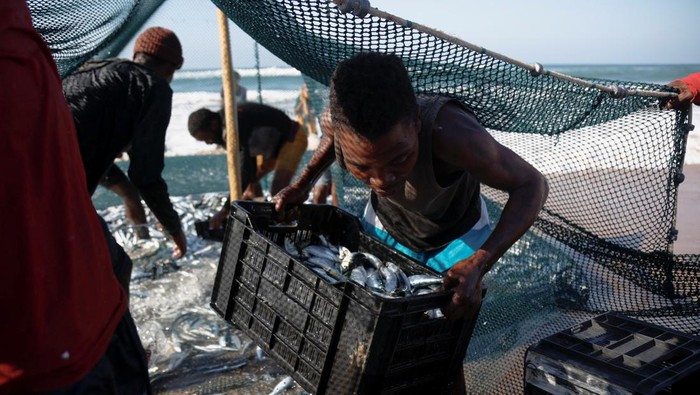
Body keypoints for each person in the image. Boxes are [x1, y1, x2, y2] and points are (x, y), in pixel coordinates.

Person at [272, 52, 548, 392]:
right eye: (362, 167)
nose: (382, 180)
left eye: (399, 158)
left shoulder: (453, 133)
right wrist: (302, 185)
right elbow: (331, 139)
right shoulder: (335, 122)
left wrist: (478, 263)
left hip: (456, 234)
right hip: (389, 223)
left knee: (437, 342)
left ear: (416, 124)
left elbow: (531, 185)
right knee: (368, 331)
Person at [1, 1, 150, 393]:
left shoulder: (25, 45)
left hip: (89, 334)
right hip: (50, 363)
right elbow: (145, 173)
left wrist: (129, 196)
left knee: (116, 265)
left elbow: (63, 153)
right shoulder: (22, 47)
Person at [62, 26, 188, 262]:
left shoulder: (96, 69)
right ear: (171, 68)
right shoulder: (153, 87)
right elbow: (146, 176)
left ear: (137, 54)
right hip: (60, 182)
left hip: (27, 162)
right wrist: (175, 229)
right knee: (116, 267)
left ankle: (142, 237)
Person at [188, 103, 308, 227]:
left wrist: (225, 210)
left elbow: (244, 170)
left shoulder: (234, 125)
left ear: (214, 125)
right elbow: (248, 168)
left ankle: (290, 227)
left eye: (207, 138)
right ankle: (263, 219)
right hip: (270, 148)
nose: (209, 143)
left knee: (278, 190)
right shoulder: (224, 129)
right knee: (251, 185)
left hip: (291, 137)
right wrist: (249, 190)